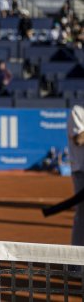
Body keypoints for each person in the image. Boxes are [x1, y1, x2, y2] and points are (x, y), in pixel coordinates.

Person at [67, 104, 84, 246]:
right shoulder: (77, 111)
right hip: (81, 172)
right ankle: (75, 264)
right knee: (83, 216)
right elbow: (79, 139)